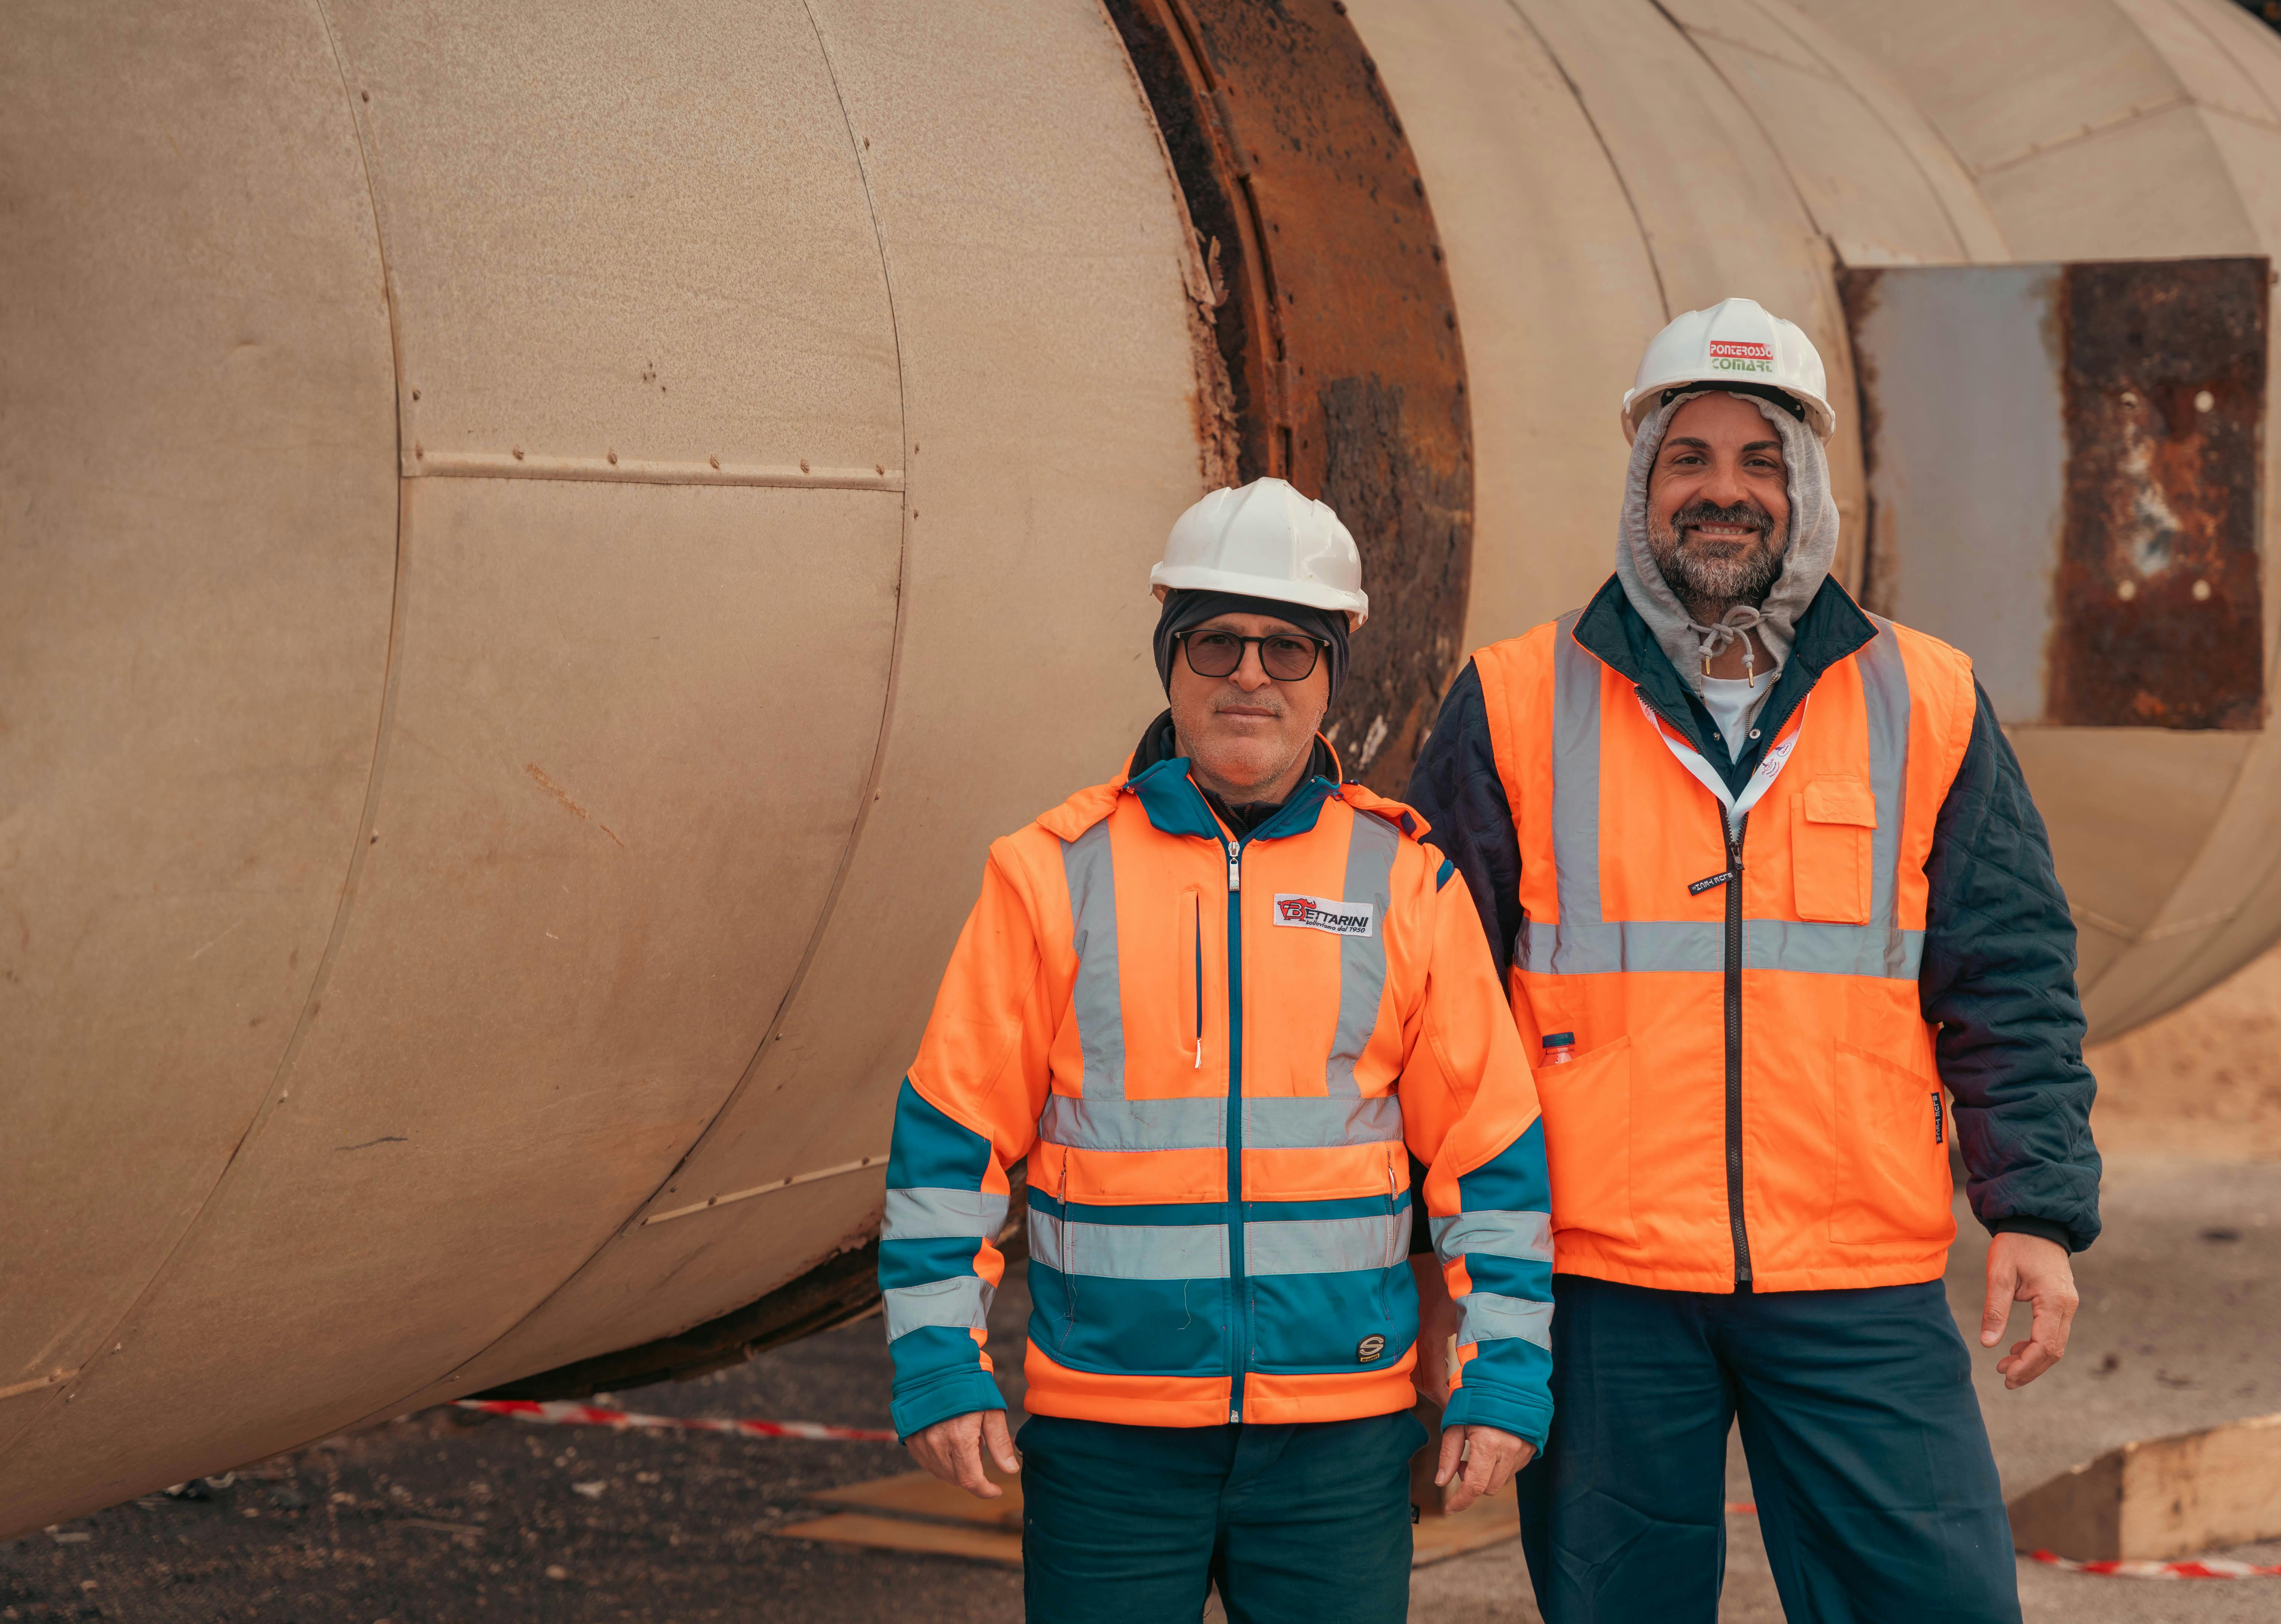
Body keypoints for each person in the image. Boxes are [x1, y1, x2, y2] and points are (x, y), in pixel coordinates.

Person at [1404, 298, 2102, 1624]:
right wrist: (1436, 1269)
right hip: (1602, 1283)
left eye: (1760, 460)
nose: (1724, 492)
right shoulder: (1513, 698)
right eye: (1690, 458)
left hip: (1858, 1278)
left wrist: (2034, 1209)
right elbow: (1428, 1007)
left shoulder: (1926, 696)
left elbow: (2008, 974)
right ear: (1642, 484)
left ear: (1809, 486)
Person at [877, 477, 1553, 1624]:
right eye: (1216, 643)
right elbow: (950, 1144)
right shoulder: (1050, 874)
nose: (1250, 675)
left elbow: (1491, 1159)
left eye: (1288, 647)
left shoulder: (1407, 881)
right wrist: (938, 1360)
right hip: (1109, 1441)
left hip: (1339, 1445)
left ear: (1332, 672)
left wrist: (1508, 1373)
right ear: (1169, 665)